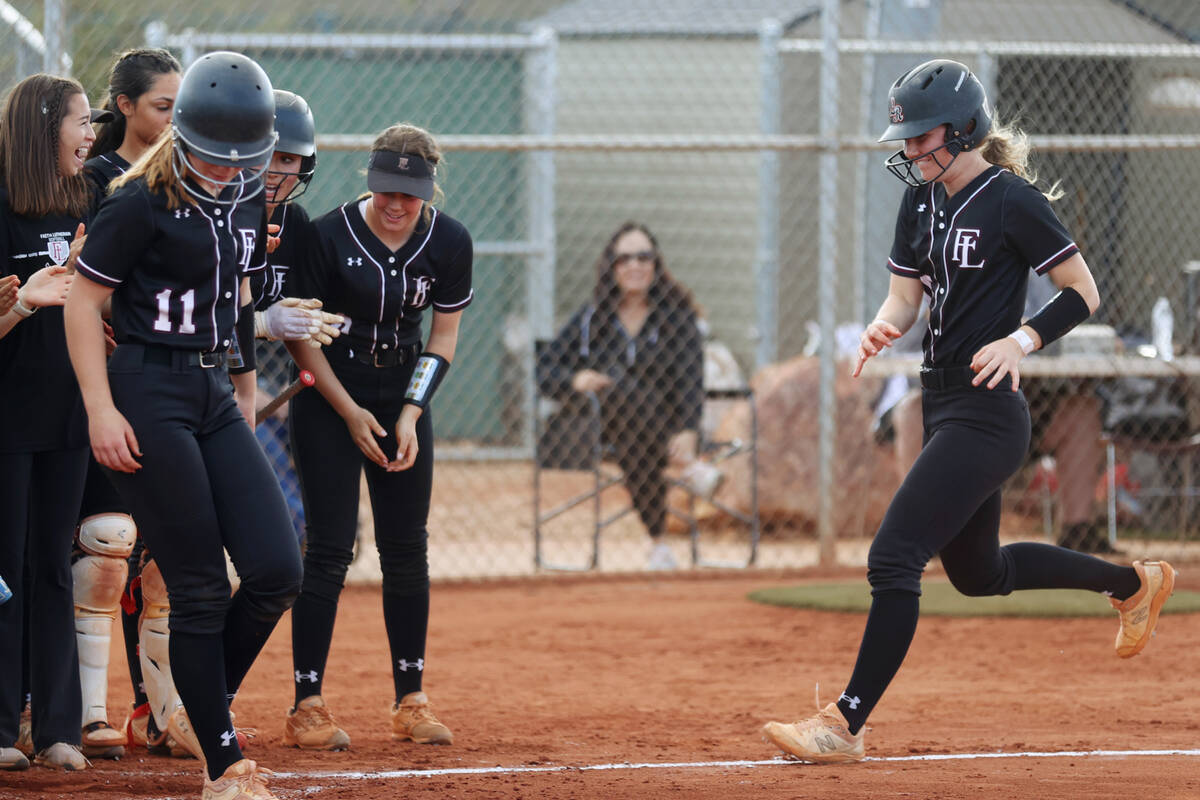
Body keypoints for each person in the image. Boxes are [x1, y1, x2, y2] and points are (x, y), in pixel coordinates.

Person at [760, 59, 1176, 764]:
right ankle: (1133, 583)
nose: (913, 151)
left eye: (925, 138)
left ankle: (843, 723)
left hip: (988, 412)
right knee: (979, 574)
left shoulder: (1010, 199)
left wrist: (1023, 339)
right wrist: (883, 325)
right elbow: (905, 299)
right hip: (941, 398)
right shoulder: (919, 202)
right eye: (909, 139)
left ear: (966, 129)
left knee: (893, 556)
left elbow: (1082, 291)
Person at [64, 51, 302, 798]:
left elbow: (230, 304)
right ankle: (225, 768)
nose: (230, 171)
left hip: (210, 393)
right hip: (147, 390)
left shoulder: (242, 198)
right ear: (182, 134)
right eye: (214, 155)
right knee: (199, 587)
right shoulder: (135, 202)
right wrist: (102, 409)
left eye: (245, 159)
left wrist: (243, 385)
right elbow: (80, 303)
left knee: (275, 569)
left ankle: (199, 706)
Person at [282, 122, 471, 751]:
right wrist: (347, 409)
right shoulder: (326, 234)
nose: (395, 205)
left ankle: (410, 699)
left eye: (410, 194)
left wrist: (411, 413)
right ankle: (307, 702)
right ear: (370, 180)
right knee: (329, 548)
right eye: (386, 190)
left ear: (430, 191)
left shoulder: (449, 242)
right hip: (331, 389)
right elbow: (302, 333)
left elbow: (442, 337)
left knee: (405, 545)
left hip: (402, 395)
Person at [70, 46, 183, 761]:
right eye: (165, 105)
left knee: (167, 556)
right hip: (99, 384)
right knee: (105, 546)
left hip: (167, 388)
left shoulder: (193, 181)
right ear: (126, 106)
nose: (176, 120)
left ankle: (163, 710)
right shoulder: (97, 182)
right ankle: (79, 711)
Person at [0, 73, 113, 773]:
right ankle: (1, 723)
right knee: (3, 570)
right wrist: (23, 304)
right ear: (47, 129)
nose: (91, 136)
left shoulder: (92, 200)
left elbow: (107, 306)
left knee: (53, 566)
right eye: (81, 122)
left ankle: (58, 729)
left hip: (69, 415)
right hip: (6, 417)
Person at [538, 222, 705, 570]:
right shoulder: (590, 318)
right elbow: (544, 370)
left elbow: (691, 380)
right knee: (614, 389)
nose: (635, 266)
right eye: (624, 258)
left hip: (658, 429)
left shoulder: (677, 318)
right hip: (598, 427)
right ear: (611, 267)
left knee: (633, 435)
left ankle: (660, 545)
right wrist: (575, 379)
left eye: (644, 257)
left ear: (656, 265)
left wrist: (688, 430)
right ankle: (688, 475)